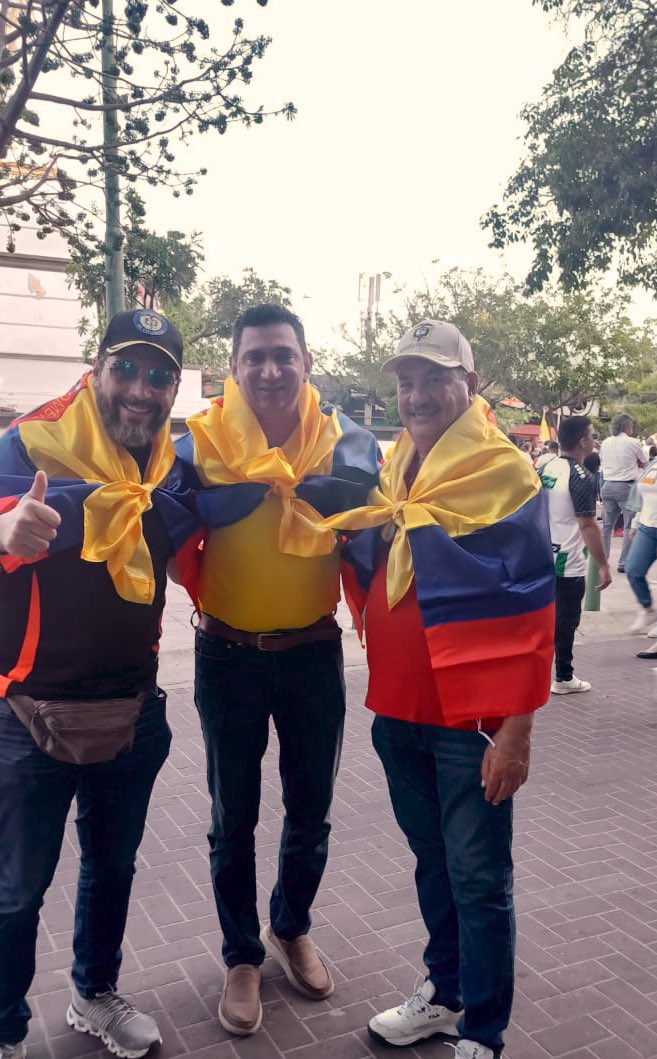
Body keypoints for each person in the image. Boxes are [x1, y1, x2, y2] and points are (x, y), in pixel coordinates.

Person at [323, 320, 555, 1059]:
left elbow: (533, 606)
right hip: (396, 709)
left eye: (432, 378)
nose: (416, 394)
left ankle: (482, 1031)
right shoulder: (398, 469)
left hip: (471, 722)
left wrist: (516, 730)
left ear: (470, 385)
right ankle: (445, 992)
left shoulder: (504, 474)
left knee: (480, 877)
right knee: (433, 861)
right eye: (405, 381)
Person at [174, 303, 379, 1037]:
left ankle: (290, 925)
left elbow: (386, 524)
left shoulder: (344, 445)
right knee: (233, 814)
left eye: (282, 355)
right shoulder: (198, 445)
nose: (268, 369)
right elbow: (145, 516)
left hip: (313, 654)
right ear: (232, 368)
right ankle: (240, 953)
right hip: (225, 653)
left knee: (310, 807)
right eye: (254, 356)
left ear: (305, 364)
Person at [0, 310, 198, 1059]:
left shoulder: (168, 466)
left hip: (131, 713)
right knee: (17, 889)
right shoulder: (29, 443)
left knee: (111, 869)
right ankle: (5, 1026)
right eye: (127, 368)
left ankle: (94, 992)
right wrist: (3, 529)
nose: (141, 391)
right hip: (28, 713)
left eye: (159, 375)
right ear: (96, 367)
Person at [540, 416, 611, 694]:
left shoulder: (547, 466)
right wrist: (604, 565)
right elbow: (587, 524)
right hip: (567, 562)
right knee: (566, 621)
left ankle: (544, 673)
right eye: (593, 436)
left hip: (543, 556)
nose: (595, 441)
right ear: (583, 441)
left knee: (547, 619)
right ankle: (564, 677)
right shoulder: (581, 477)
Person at [599, 414, 646, 572]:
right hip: (626, 487)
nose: (632, 428)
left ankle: (602, 560)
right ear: (627, 426)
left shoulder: (605, 442)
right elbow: (644, 460)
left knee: (606, 526)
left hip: (607, 485)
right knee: (628, 526)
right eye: (631, 426)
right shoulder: (633, 443)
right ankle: (623, 563)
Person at [623, 456, 657, 653]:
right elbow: (643, 496)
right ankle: (648, 608)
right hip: (646, 526)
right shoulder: (652, 465)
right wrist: (635, 522)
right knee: (633, 569)